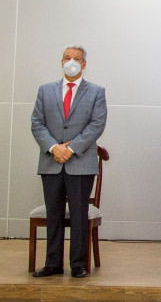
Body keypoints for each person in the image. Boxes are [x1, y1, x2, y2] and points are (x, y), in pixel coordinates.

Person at [29, 45, 107, 279]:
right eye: (67, 58)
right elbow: (37, 123)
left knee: (78, 215)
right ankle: (52, 263)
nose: (71, 62)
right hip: (51, 162)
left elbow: (96, 125)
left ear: (84, 64)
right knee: (53, 214)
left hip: (80, 163)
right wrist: (54, 147)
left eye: (76, 58)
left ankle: (78, 264)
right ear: (61, 61)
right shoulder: (45, 90)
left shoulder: (96, 92)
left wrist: (70, 149)